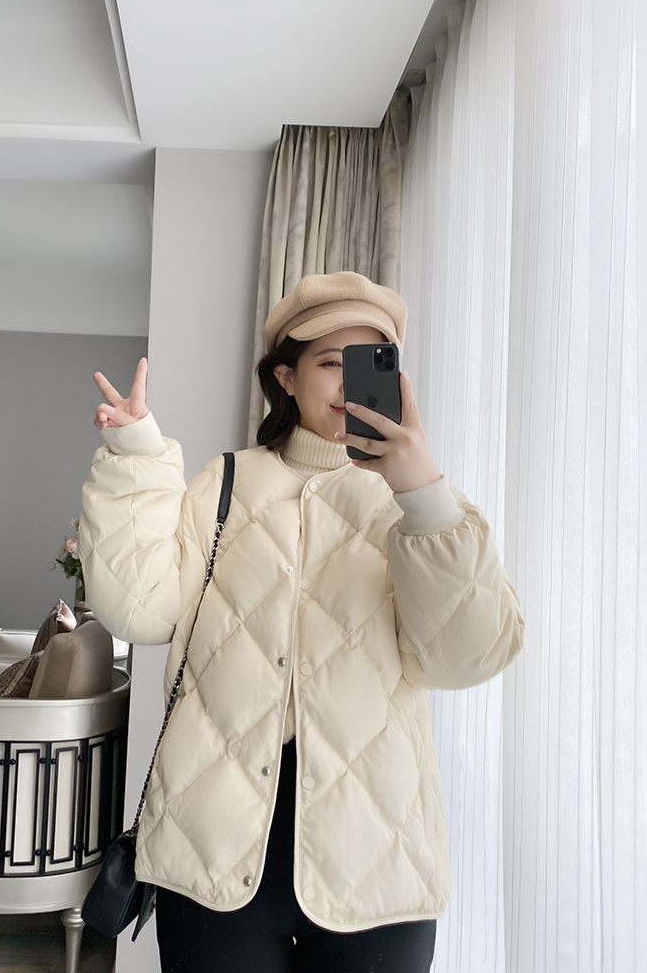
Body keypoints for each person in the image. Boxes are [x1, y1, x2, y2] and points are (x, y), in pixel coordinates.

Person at [79, 271, 524, 973]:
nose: (351, 383)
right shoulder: (224, 484)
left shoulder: (419, 504)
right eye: (331, 363)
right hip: (212, 845)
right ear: (285, 378)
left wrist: (422, 491)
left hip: (376, 855)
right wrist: (136, 458)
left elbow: (465, 657)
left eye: (372, 363)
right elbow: (139, 607)